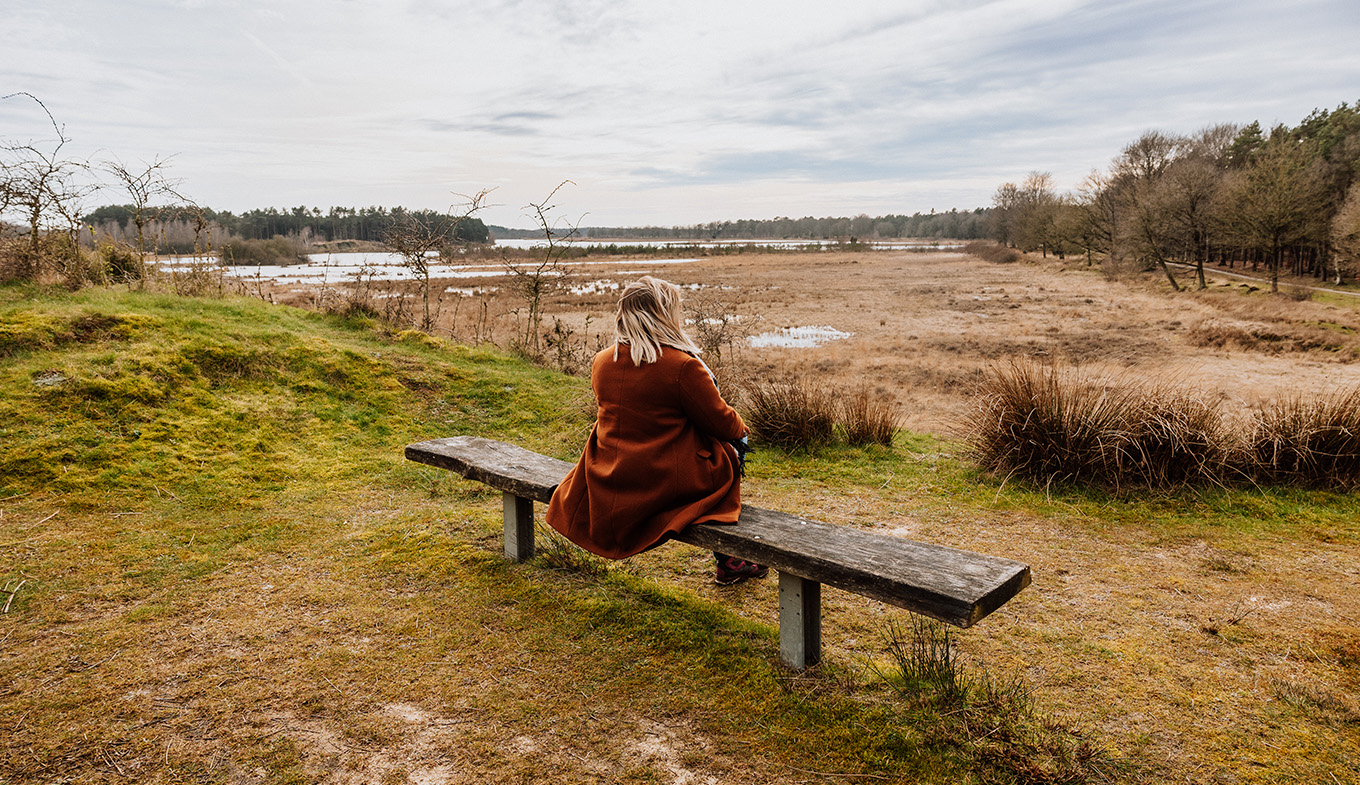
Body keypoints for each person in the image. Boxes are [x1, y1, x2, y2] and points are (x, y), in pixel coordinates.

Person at [545, 276, 768, 585]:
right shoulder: (681, 366)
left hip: (609, 473)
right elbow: (723, 423)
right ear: (663, 315)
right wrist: (741, 434)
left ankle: (730, 558)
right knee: (732, 446)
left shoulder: (601, 361)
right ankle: (729, 559)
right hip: (661, 480)